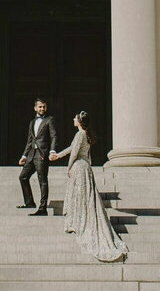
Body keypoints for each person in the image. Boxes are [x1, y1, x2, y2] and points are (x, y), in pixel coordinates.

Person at [49, 110, 128, 262]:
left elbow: (74, 153)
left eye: (75, 117)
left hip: (79, 167)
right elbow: (72, 148)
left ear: (79, 121)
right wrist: (58, 155)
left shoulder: (80, 134)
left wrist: (68, 167)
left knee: (80, 195)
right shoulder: (84, 134)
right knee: (84, 196)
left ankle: (78, 221)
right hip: (85, 167)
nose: (73, 119)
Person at [18, 97, 57, 215]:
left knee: (42, 180)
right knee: (23, 177)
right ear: (35, 108)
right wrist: (24, 155)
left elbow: (54, 136)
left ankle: (42, 208)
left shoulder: (50, 120)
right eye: (40, 107)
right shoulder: (32, 122)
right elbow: (30, 140)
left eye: (44, 107)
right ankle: (29, 202)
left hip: (42, 154)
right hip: (31, 155)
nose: (42, 109)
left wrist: (52, 151)